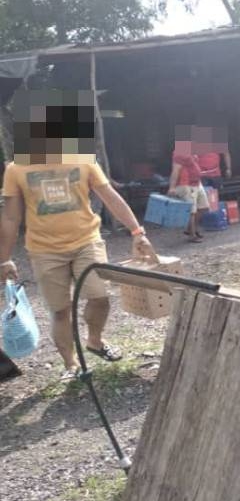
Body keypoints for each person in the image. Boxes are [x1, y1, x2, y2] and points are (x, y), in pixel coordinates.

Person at [0, 153, 158, 380]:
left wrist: (137, 232)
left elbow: (110, 197)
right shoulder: (17, 168)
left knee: (100, 296)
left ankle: (95, 341)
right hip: (44, 250)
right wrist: (4, 259)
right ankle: (71, 364)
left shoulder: (83, 159)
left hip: (87, 241)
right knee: (60, 310)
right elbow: (10, 218)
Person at [168, 136, 210, 243]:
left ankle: (190, 229)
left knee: (204, 207)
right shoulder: (180, 153)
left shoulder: (192, 152)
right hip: (185, 184)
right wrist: (172, 187)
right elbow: (176, 170)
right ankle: (192, 235)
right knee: (192, 211)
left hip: (196, 183)